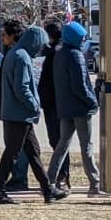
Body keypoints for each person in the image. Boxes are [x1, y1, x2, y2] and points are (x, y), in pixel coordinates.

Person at [0, 23, 69, 204]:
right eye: (40, 45)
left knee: (33, 152)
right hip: (19, 114)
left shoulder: (14, 53)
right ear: (35, 42)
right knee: (12, 153)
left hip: (17, 113)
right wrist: (34, 105)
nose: (40, 49)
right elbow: (22, 88)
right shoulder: (22, 57)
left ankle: (47, 189)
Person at [48, 20, 110, 196]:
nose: (84, 40)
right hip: (80, 108)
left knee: (62, 145)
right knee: (87, 146)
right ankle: (94, 184)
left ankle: (49, 180)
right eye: (82, 37)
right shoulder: (76, 56)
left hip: (65, 108)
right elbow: (81, 85)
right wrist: (93, 102)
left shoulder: (59, 54)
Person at [0, 20, 31, 191]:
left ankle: (10, 183)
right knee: (29, 151)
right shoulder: (12, 54)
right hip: (13, 111)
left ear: (13, 36)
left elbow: (22, 87)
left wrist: (33, 105)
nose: (2, 37)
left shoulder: (19, 56)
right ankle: (47, 187)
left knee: (15, 151)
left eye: (4, 34)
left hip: (19, 112)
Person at [38, 20, 71, 191]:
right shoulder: (53, 52)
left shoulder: (56, 53)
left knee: (59, 141)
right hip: (52, 102)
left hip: (55, 103)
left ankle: (63, 176)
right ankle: (61, 175)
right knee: (57, 141)